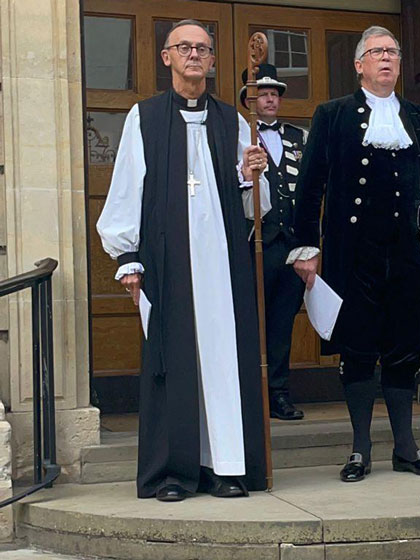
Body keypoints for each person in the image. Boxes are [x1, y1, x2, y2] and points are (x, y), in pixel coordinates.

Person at [96, 19, 271, 502]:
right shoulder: (145, 117)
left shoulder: (232, 120)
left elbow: (255, 205)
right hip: (168, 263)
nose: (195, 55)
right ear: (167, 57)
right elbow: (127, 187)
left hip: (223, 264)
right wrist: (127, 257)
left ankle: (227, 467)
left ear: (213, 61)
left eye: (203, 48)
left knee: (222, 360)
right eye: (185, 47)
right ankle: (175, 473)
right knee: (174, 363)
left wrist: (252, 174)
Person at [289, 26, 420, 482]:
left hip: (408, 252)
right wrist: (306, 247)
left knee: (404, 349)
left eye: (393, 52)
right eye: (377, 52)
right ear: (359, 64)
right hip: (352, 251)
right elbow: (311, 185)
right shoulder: (333, 114)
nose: (386, 58)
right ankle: (360, 449)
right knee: (358, 349)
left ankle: (405, 447)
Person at [238, 63, 307, 421]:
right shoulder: (239, 136)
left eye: (273, 93)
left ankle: (279, 394)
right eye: (262, 93)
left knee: (282, 322)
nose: (269, 99)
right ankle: (251, 395)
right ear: (248, 99)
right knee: (252, 320)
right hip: (255, 244)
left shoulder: (298, 136)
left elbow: (311, 190)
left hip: (291, 244)